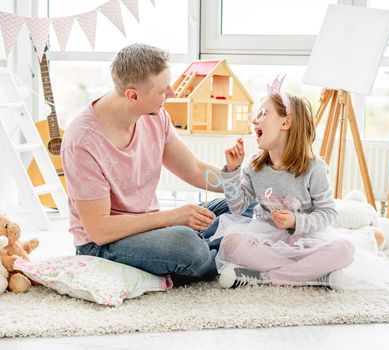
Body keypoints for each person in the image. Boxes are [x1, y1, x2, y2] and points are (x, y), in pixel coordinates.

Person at [61, 43, 251, 284]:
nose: (172, 93)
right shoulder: (82, 141)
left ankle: (229, 249)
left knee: (247, 203)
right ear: (133, 95)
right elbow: (99, 230)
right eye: (163, 90)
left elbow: (193, 169)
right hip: (104, 244)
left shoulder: (155, 116)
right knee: (186, 245)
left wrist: (248, 185)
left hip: (152, 228)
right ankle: (236, 252)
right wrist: (173, 217)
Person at [212, 75, 389, 291]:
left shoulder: (313, 168)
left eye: (263, 113)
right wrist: (232, 171)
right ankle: (311, 275)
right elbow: (238, 207)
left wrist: (295, 222)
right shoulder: (254, 168)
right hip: (267, 240)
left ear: (286, 122)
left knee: (345, 248)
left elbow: (328, 213)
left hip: (307, 240)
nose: (255, 120)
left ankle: (268, 276)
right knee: (230, 243)